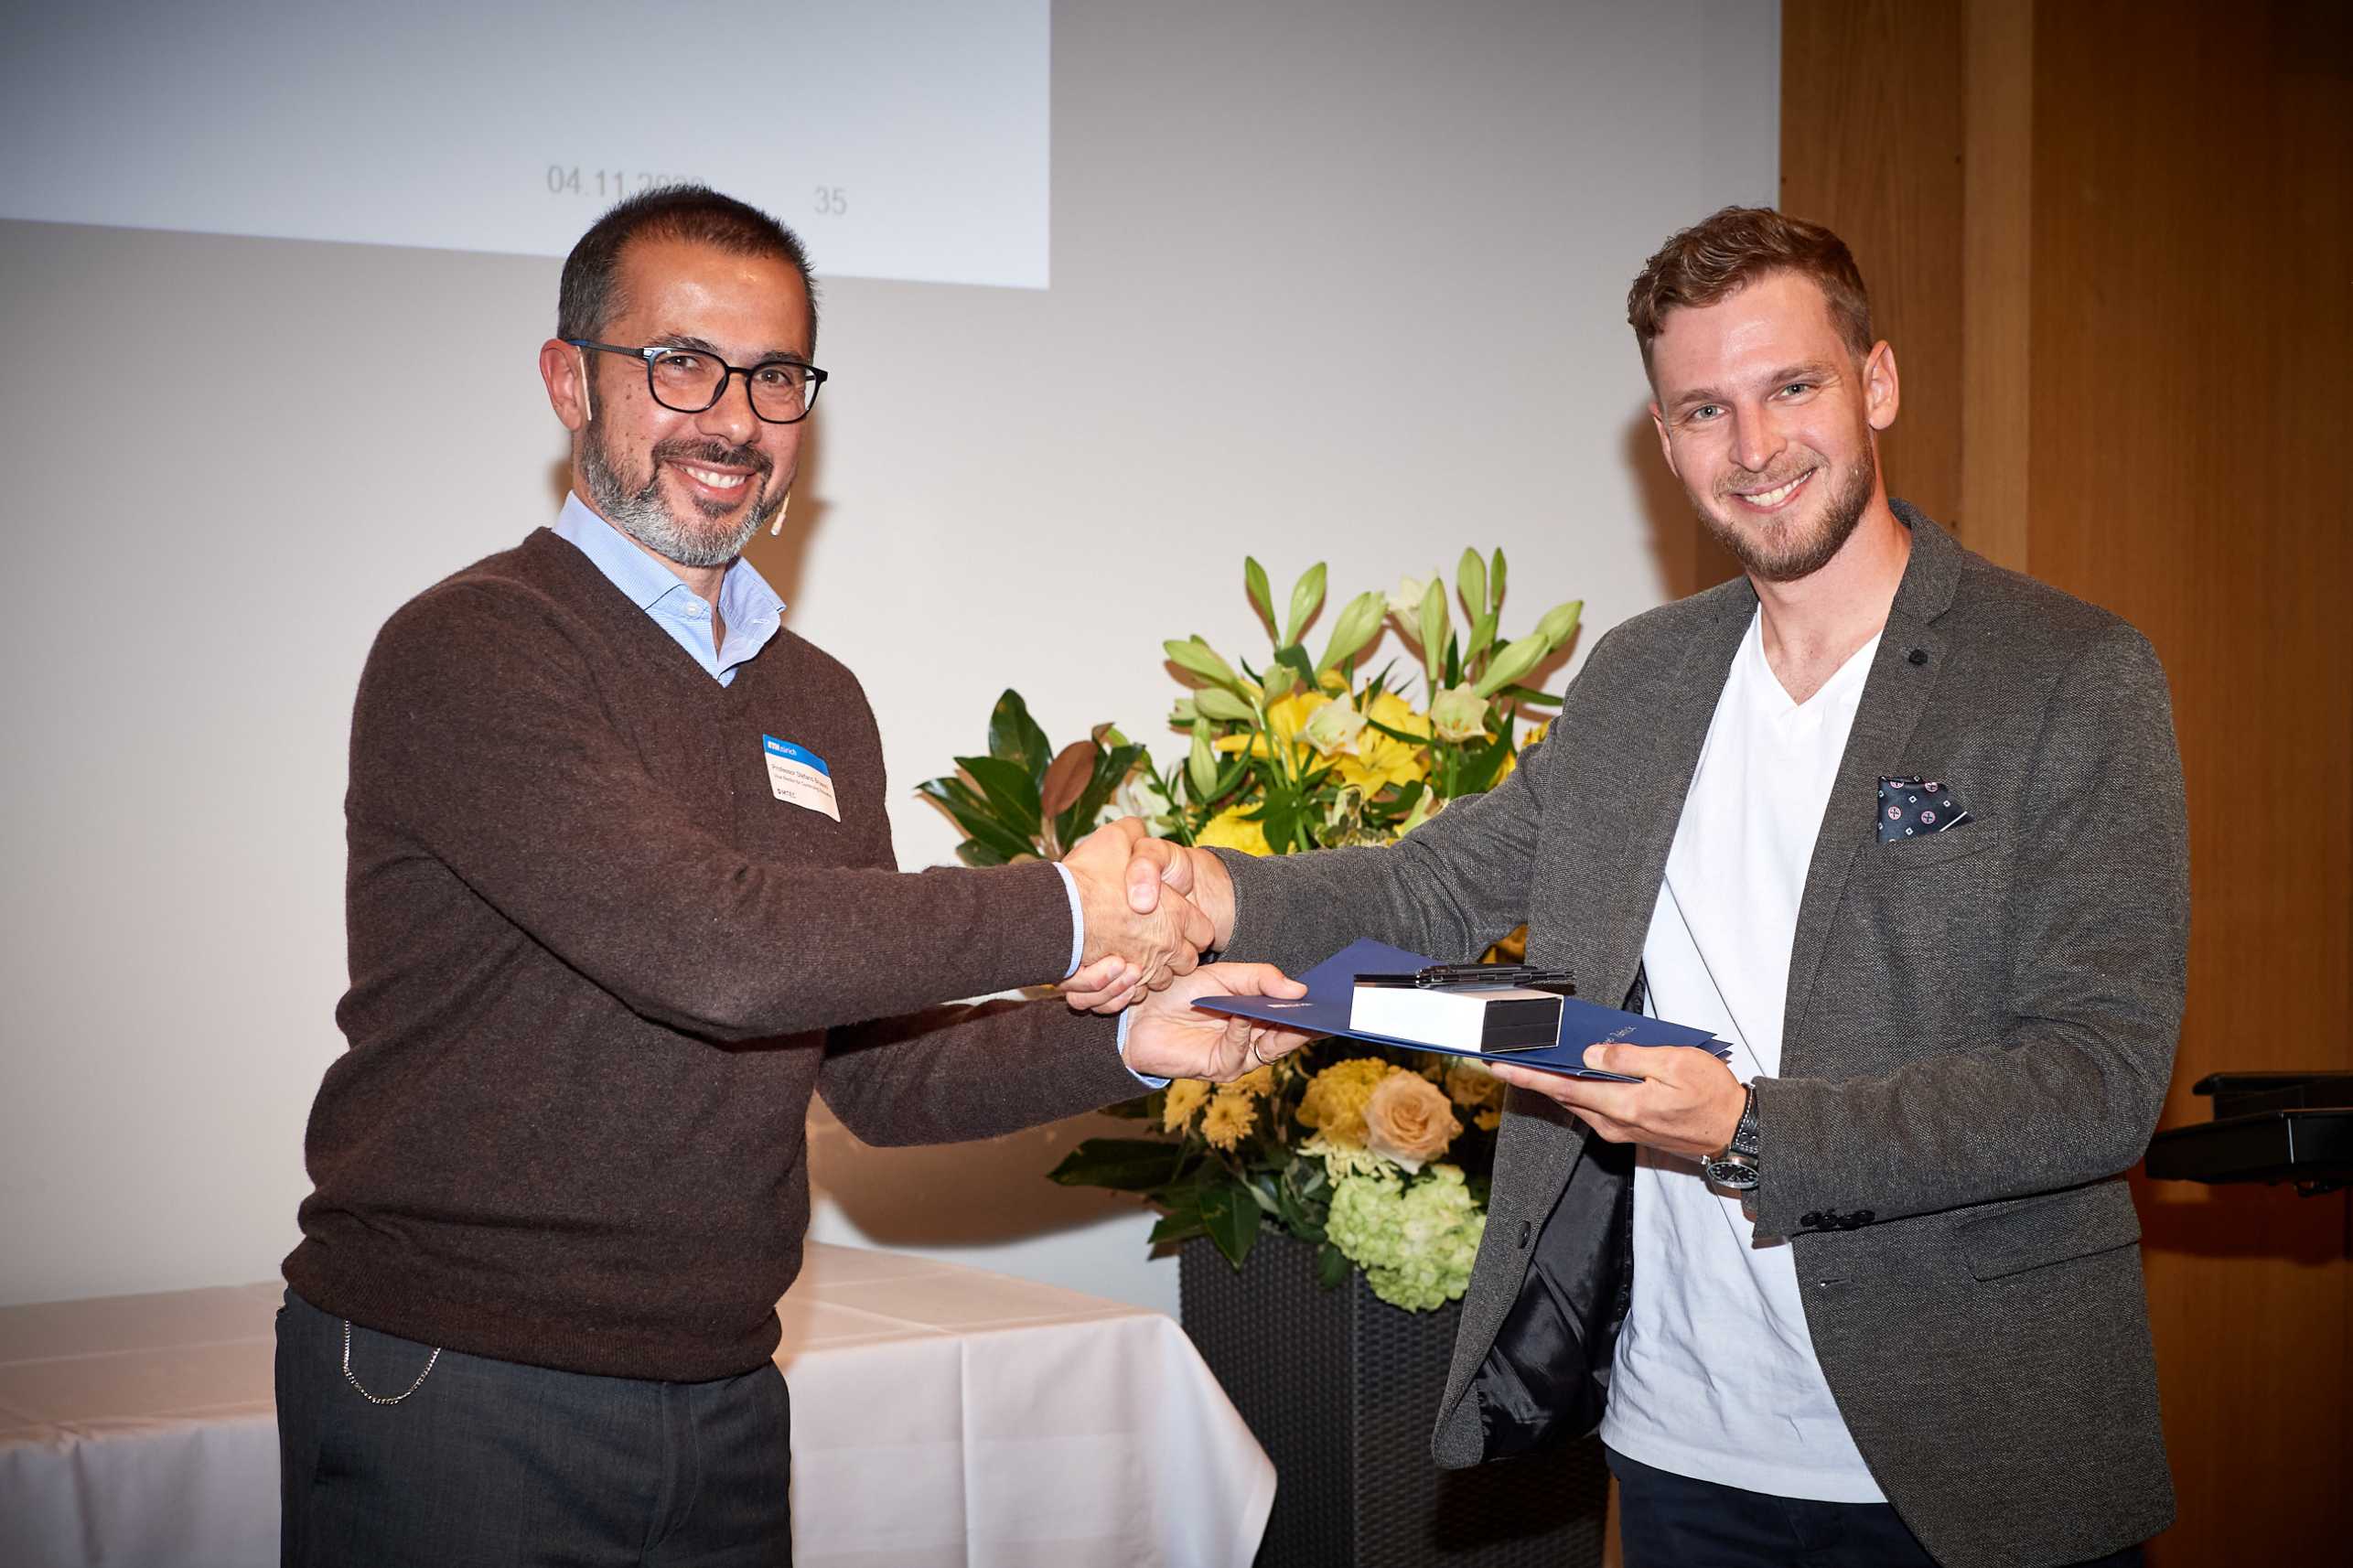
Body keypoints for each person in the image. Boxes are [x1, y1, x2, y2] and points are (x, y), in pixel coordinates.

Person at [1116, 208, 2185, 1568]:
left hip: (1974, 1453)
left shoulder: (2067, 675)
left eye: (1790, 387)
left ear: (1877, 385)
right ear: (1664, 437)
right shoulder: (1643, 676)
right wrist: (1201, 892)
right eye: (1702, 409)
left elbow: (2098, 1078)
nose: (1752, 448)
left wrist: (1748, 1129)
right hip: (1683, 1443)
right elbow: (1439, 883)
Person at [275, 186, 1304, 1567]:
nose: (732, 416)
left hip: (725, 1394)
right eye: (680, 363)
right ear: (570, 381)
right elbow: (716, 949)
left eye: (774, 377)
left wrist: (1125, 1039)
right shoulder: (472, 649)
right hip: (465, 1381)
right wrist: (1070, 904)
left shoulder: (818, 699)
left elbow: (870, 1079)